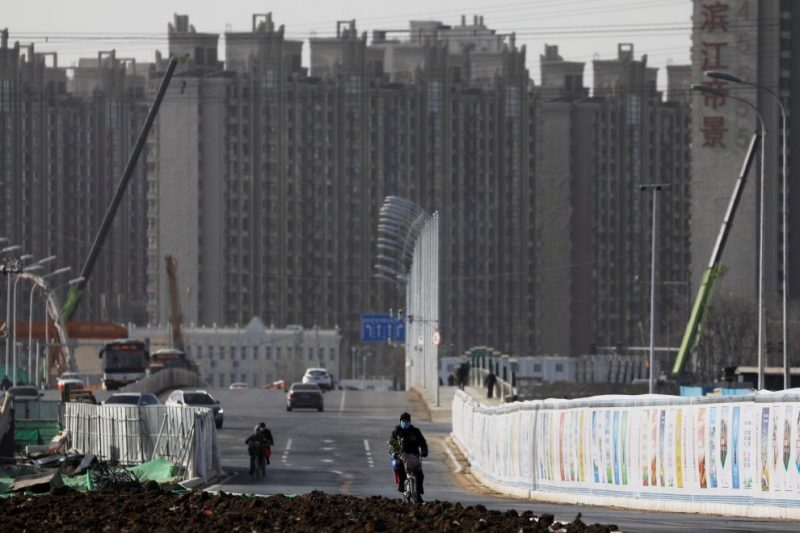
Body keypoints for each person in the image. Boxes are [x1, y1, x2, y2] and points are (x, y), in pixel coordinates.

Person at [389, 412, 428, 501]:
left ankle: (418, 492)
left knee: (420, 474)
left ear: (409, 422)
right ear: (400, 421)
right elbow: (392, 444)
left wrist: (424, 451)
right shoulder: (396, 431)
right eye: (403, 421)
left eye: (406, 421)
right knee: (400, 469)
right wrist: (393, 453)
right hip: (401, 456)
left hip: (414, 456)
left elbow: (422, 442)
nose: (404, 422)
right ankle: (402, 488)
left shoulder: (415, 431)